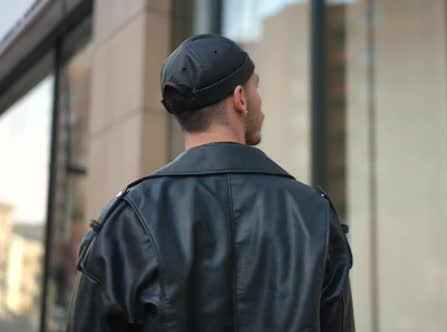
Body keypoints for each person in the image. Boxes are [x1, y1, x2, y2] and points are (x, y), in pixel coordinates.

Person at [67, 34, 354, 331]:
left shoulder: (129, 218)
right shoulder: (313, 213)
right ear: (240, 98)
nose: (260, 101)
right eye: (257, 87)